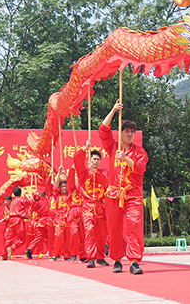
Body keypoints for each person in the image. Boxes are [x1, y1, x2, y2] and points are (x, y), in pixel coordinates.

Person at [99, 100, 148, 275]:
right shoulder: (112, 146)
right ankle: (117, 260)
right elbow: (102, 130)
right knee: (115, 227)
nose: (129, 134)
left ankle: (134, 260)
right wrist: (113, 110)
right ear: (120, 134)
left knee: (133, 225)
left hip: (132, 195)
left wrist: (126, 159)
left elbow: (141, 168)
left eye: (132, 132)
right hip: (113, 194)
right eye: (126, 131)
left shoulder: (139, 152)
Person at [74, 139, 110, 268]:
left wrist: (95, 172)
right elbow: (77, 160)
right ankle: (91, 257)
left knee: (101, 234)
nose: (95, 161)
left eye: (97, 160)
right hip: (88, 206)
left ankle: (100, 257)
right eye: (93, 159)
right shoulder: (83, 173)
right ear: (89, 160)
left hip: (100, 206)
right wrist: (85, 148)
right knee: (89, 230)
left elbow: (106, 182)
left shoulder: (103, 172)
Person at [5, 187, 32, 260]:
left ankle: (4, 255)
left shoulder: (13, 202)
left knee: (9, 239)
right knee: (22, 239)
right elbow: (31, 203)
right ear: (21, 193)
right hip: (18, 221)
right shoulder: (21, 200)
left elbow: (17, 212)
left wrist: (26, 217)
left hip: (11, 220)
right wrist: (32, 196)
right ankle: (12, 248)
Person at [0, 195, 12, 260]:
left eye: (6, 201)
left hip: (12, 226)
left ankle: (5, 254)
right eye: (5, 201)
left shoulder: (13, 208)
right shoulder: (4, 209)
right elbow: (4, 217)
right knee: (5, 241)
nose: (5, 202)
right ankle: (5, 255)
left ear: (10, 201)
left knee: (9, 241)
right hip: (6, 227)